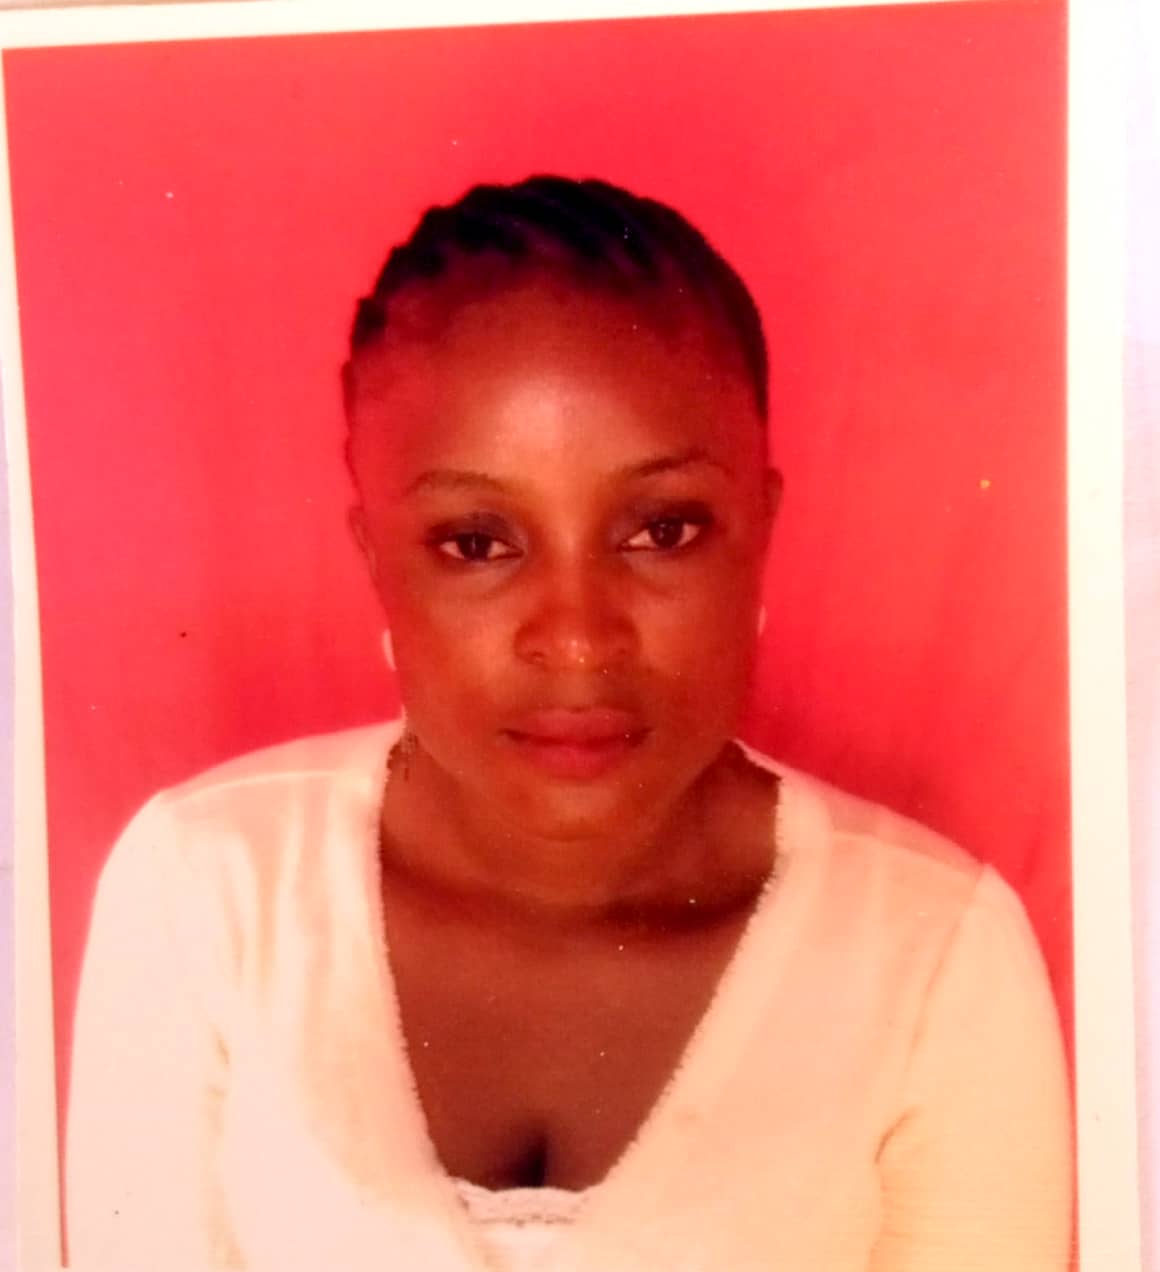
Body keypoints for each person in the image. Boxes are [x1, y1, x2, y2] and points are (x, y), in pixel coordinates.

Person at [64, 175, 1072, 1271]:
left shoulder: (933, 955)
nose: (580, 640)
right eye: (477, 543)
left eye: (662, 530)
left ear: (759, 533)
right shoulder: (208, 890)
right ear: (376, 563)